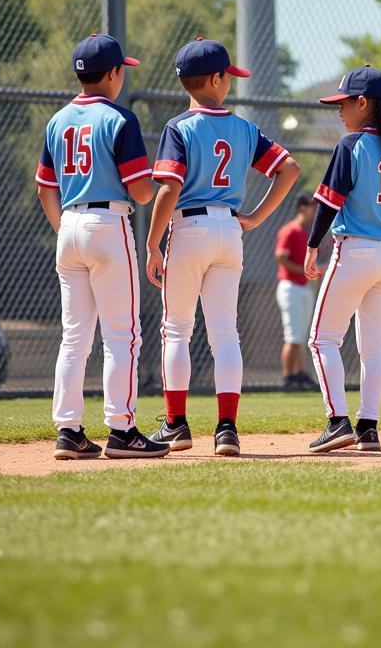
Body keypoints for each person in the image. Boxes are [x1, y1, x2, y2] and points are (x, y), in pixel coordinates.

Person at [146, 38, 299, 457]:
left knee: (176, 328)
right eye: (227, 77)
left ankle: (176, 424)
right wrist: (254, 216)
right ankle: (227, 429)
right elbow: (289, 169)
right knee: (225, 333)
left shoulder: (179, 126)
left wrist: (152, 243)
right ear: (215, 79)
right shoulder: (244, 128)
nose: (229, 83)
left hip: (189, 226)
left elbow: (169, 188)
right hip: (230, 230)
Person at [36, 34, 169, 460]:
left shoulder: (57, 120)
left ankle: (69, 431)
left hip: (69, 224)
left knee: (74, 338)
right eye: (121, 70)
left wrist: (65, 228)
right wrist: (164, 184)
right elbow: (141, 192)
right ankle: (123, 430)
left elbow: (44, 188)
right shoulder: (119, 119)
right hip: (107, 223)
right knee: (122, 335)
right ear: (112, 73)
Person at [303, 66, 381, 453]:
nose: (340, 110)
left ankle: (338, 422)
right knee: (374, 347)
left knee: (321, 340)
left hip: (355, 250)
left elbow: (328, 203)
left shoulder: (351, 145)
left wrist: (312, 244)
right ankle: (368, 428)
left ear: (363, 103)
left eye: (345, 103)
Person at [274, 194, 319, 389]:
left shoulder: (305, 232)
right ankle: (288, 376)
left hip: (303, 286)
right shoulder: (290, 230)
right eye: (311, 206)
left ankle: (299, 373)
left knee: (300, 335)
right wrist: (303, 270)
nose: (315, 210)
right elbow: (280, 257)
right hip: (290, 287)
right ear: (302, 208)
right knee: (292, 336)